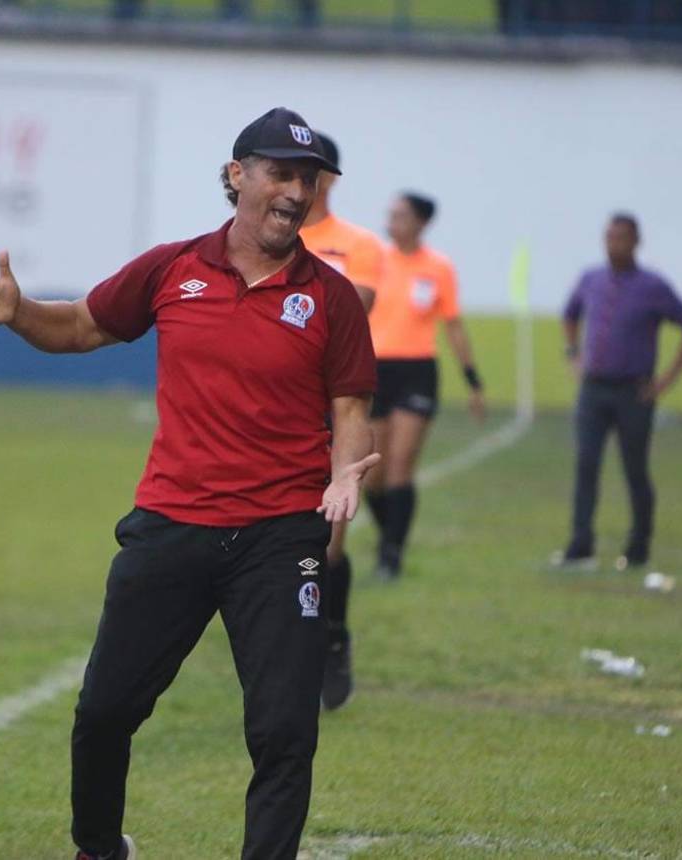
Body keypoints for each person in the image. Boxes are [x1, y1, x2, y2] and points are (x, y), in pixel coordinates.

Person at [0, 107, 378, 860]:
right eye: (280, 174)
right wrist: (20, 314)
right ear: (236, 175)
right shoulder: (173, 268)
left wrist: (346, 469)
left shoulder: (332, 298)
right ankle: (98, 847)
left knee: (284, 733)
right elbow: (81, 326)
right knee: (105, 711)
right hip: (172, 523)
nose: (295, 192)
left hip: (281, 537)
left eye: (307, 180)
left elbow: (351, 410)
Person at [552, 213, 682, 572]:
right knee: (586, 463)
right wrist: (573, 354)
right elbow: (570, 314)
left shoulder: (653, 287)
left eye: (622, 238)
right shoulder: (591, 279)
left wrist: (665, 380)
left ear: (636, 242)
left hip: (634, 391)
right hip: (593, 388)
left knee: (634, 468)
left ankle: (638, 546)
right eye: (609, 237)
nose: (614, 245)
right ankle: (580, 544)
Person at [298, 132, 384, 712]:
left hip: (336, 401)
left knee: (328, 539)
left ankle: (332, 638)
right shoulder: (268, 238)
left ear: (328, 178)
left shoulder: (358, 244)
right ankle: (288, 651)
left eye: (310, 173)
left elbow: (359, 305)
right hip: (275, 402)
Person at [363, 193, 485, 581]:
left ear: (420, 222)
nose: (391, 221)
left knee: (400, 466)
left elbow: (453, 326)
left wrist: (473, 381)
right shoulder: (375, 261)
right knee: (372, 477)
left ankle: (391, 557)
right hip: (375, 371)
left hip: (417, 371)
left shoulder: (438, 267)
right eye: (390, 214)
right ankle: (390, 536)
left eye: (399, 215)